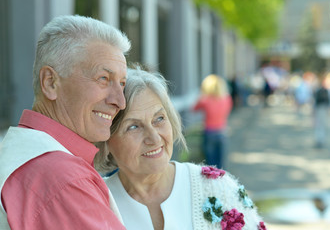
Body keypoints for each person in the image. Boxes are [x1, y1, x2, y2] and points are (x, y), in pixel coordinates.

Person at [0, 15, 131, 229]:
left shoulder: (22, 151)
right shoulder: (64, 178)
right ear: (50, 82)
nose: (120, 101)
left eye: (122, 83)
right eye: (103, 79)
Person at [94, 67, 266, 230]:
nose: (154, 138)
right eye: (133, 127)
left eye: (159, 118)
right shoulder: (93, 201)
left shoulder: (218, 189)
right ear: (105, 139)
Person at [192, 74, 233, 169]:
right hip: (222, 131)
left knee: (210, 164)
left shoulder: (205, 100)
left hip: (209, 132)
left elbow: (194, 109)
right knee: (221, 164)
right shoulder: (227, 99)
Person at [313, 75, 330, 148]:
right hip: (321, 109)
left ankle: (320, 140)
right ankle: (320, 140)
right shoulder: (323, 91)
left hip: (320, 109)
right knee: (321, 125)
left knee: (320, 125)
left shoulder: (320, 91)